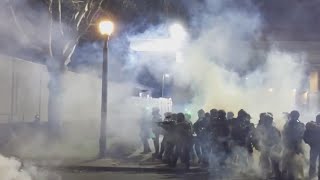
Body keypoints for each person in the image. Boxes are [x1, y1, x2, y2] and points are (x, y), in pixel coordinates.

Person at [255, 113, 281, 179]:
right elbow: (257, 138)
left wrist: (275, 146)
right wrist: (260, 145)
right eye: (266, 120)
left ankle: (275, 175)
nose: (268, 121)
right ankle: (264, 175)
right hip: (264, 148)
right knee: (264, 162)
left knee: (275, 162)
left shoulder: (274, 129)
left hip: (273, 148)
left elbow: (278, 139)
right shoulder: (260, 128)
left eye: (269, 120)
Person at [282, 110, 305, 180]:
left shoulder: (299, 124)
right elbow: (285, 134)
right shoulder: (288, 124)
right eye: (294, 116)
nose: (294, 117)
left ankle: (300, 175)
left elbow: (302, 134)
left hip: (296, 145)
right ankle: (285, 175)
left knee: (299, 161)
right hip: (290, 145)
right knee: (287, 161)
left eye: (295, 116)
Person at [304, 114, 320, 179]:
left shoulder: (311, 126)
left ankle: (314, 176)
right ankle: (312, 176)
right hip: (314, 147)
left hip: (314, 146)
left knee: (313, 162)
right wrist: (309, 142)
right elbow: (305, 136)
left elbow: (305, 136)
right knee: (312, 162)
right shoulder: (311, 126)